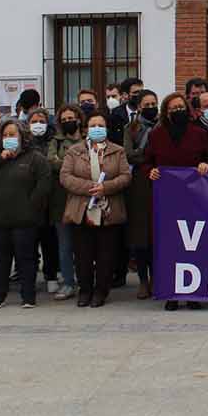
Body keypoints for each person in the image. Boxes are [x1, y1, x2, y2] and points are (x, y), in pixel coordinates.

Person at [144, 92, 208, 310]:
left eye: (180, 107)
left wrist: (205, 166)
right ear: (165, 112)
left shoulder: (199, 133)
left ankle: (193, 293)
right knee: (169, 247)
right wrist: (151, 171)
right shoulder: (156, 135)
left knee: (194, 245)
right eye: (173, 108)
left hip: (195, 198)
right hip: (167, 200)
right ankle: (171, 293)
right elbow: (147, 161)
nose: (178, 111)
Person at [0, 120, 53, 309]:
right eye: (6, 135)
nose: (9, 138)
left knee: (26, 258)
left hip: (25, 219)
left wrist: (31, 205)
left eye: (13, 135)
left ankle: (28, 296)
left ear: (22, 137)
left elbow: (44, 184)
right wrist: (0, 158)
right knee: (0, 259)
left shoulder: (35, 158)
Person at [60, 112, 132, 307]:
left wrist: (106, 188)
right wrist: (89, 187)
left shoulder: (117, 151)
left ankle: (101, 291)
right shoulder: (74, 151)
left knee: (105, 255)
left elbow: (126, 176)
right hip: (81, 209)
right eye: (93, 125)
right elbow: (65, 177)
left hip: (108, 210)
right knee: (83, 255)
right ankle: (85, 290)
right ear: (86, 128)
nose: (97, 128)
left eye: (101, 125)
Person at [44, 103, 83, 301]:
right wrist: (77, 165)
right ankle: (68, 282)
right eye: (65, 119)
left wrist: (67, 165)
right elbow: (51, 162)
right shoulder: (55, 142)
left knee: (85, 244)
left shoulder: (88, 138)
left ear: (79, 119)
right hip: (62, 199)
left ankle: (86, 281)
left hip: (85, 198)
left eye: (71, 118)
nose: (69, 122)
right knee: (65, 245)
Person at [123, 90, 160, 296]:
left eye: (154, 103)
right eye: (146, 104)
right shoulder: (132, 127)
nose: (151, 107)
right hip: (138, 184)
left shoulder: (163, 125)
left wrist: (146, 156)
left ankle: (156, 277)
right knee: (140, 233)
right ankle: (143, 280)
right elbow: (128, 155)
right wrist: (146, 155)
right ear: (138, 107)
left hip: (159, 179)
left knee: (157, 232)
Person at [23, 107, 60, 291]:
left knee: (50, 240)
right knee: (29, 241)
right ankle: (27, 277)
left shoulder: (53, 141)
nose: (38, 125)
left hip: (50, 199)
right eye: (34, 121)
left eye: (42, 121)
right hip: (28, 199)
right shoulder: (23, 143)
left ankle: (51, 274)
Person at [108, 77, 144, 144]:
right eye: (136, 92)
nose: (140, 95)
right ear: (125, 95)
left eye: (142, 92)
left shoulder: (147, 112)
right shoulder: (115, 114)